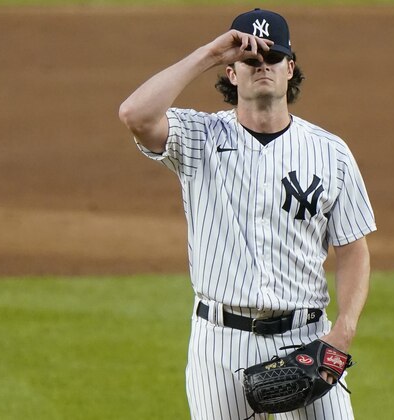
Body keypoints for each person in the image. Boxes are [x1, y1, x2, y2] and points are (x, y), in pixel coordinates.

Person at [118, 8, 376, 420]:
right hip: (219, 342)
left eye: (273, 59)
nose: (263, 67)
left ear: (290, 69)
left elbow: (353, 250)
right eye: (250, 60)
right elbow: (135, 114)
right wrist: (209, 53)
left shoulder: (331, 153)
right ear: (231, 74)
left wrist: (342, 333)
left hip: (307, 338)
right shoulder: (198, 138)